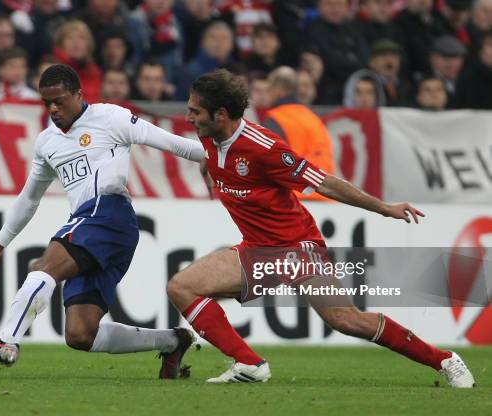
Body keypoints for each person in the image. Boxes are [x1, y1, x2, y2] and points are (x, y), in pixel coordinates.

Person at [166, 69, 475, 387]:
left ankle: (445, 360)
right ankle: (248, 363)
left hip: (297, 248)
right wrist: (208, 169)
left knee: (346, 320)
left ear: (220, 114)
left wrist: (384, 207)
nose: (188, 116)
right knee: (182, 287)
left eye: (195, 111)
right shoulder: (209, 136)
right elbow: (210, 156)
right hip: (257, 249)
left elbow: (324, 182)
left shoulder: (265, 148)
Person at [0, 64, 205, 380]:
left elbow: (173, 143)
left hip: (108, 211)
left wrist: (215, 157)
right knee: (80, 334)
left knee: (43, 268)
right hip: (102, 228)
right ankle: (172, 341)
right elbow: (29, 198)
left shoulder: (109, 118)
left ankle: (7, 341)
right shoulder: (47, 142)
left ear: (79, 94)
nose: (54, 109)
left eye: (60, 100)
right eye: (47, 103)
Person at [263, 66, 335, 201]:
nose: (267, 94)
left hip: (297, 198)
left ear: (278, 90)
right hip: (326, 195)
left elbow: (270, 163)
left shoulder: (276, 119)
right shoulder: (314, 119)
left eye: (269, 89)